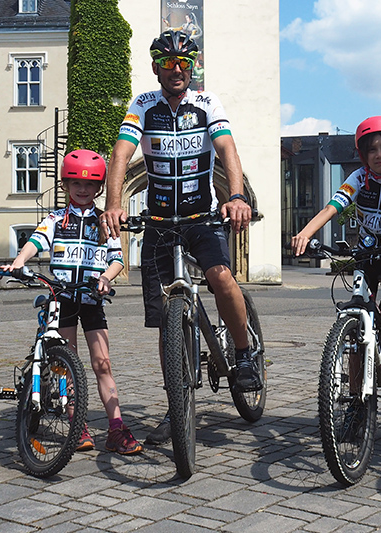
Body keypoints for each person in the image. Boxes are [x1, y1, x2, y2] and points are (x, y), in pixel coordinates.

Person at [100, 30, 259, 446]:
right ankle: (177, 402)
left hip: (199, 217)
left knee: (222, 277)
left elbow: (227, 150)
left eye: (184, 62)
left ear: (193, 67)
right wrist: (114, 202)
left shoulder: (207, 104)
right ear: (155, 67)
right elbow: (120, 154)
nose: (176, 70)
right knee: (163, 322)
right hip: (156, 222)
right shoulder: (142, 106)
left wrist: (237, 196)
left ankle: (243, 355)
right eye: (167, 63)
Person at [2, 149, 142, 455]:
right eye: (76, 183)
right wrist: (19, 261)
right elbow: (36, 242)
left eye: (90, 184)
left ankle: (117, 428)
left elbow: (117, 260)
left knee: (102, 363)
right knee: (68, 365)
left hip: (92, 298)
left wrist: (105, 278)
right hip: (62, 298)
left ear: (99, 188)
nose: (83, 189)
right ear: (65, 184)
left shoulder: (106, 222)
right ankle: (78, 424)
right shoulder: (55, 219)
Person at [290, 116, 381, 419]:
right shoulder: (359, 179)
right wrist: (306, 233)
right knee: (355, 323)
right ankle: (355, 398)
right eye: (372, 150)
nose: (379, 154)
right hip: (367, 257)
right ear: (363, 155)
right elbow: (332, 207)